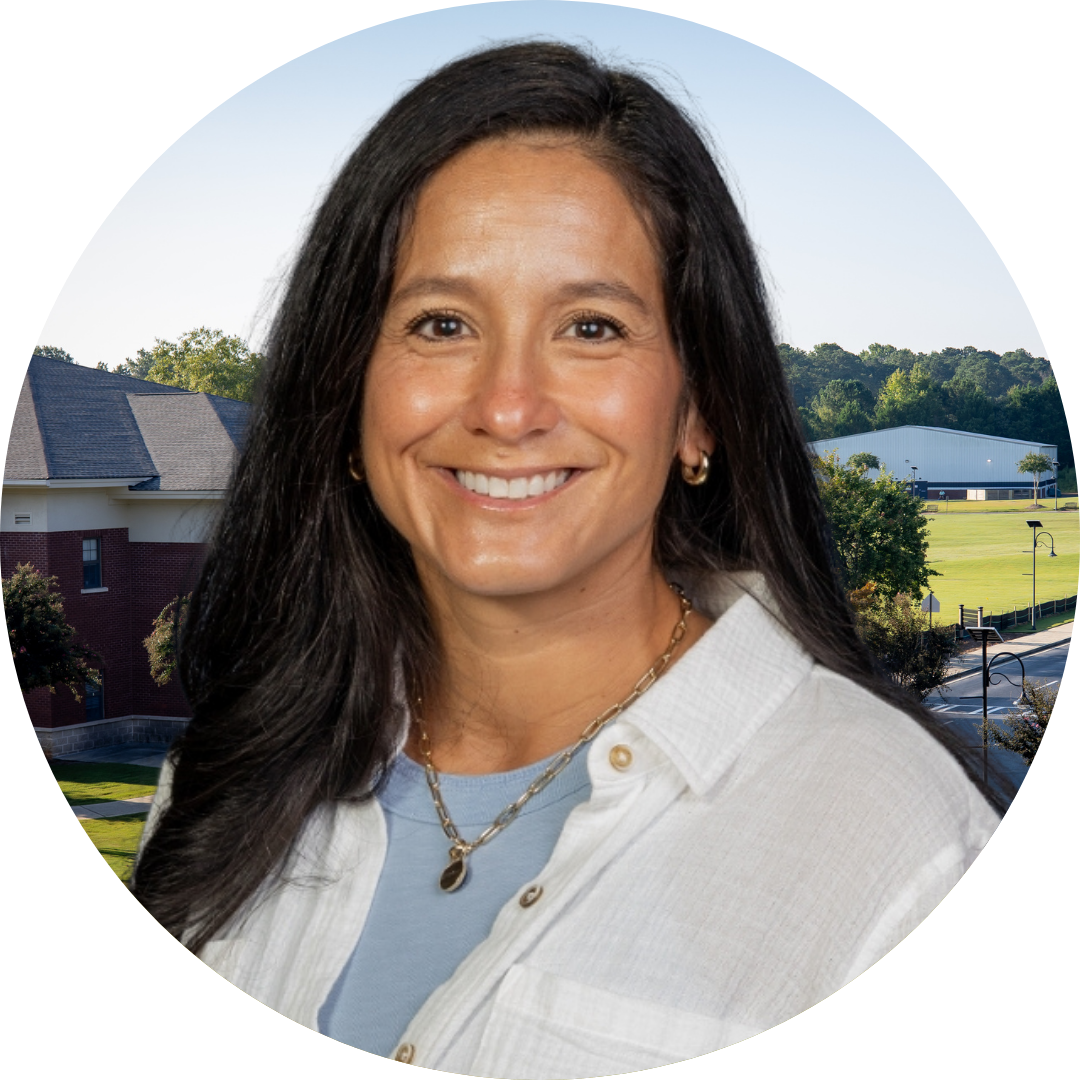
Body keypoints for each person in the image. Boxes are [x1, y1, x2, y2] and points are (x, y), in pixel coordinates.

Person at [132, 41, 1004, 1074]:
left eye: (591, 327)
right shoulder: (227, 779)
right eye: (441, 323)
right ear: (348, 393)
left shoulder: (890, 836)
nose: (507, 407)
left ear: (699, 411)